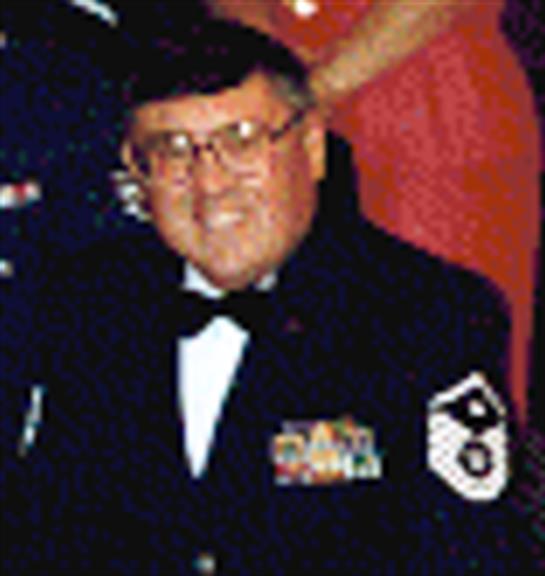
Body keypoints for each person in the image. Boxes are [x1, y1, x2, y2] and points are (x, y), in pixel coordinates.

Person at [3, 19, 537, 575]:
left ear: (312, 147)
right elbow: (41, 532)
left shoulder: (426, 316)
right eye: (172, 149)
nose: (210, 184)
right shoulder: (87, 305)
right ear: (137, 171)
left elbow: (472, 553)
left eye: (241, 140)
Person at [208, 0, 542, 425]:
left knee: (438, 358)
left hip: (433, 123)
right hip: (278, 114)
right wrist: (263, 60)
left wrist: (315, 89)